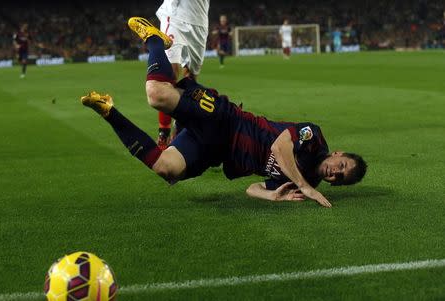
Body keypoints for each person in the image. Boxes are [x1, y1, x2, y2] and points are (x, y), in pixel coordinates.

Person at [81, 18, 367, 206]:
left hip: (216, 150)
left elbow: (251, 189)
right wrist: (304, 187)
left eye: (340, 179)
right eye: (341, 167)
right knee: (157, 95)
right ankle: (155, 40)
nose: (335, 173)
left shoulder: (305, 180)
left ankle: (108, 110)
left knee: (167, 170)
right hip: (226, 120)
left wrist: (272, 195)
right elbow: (281, 146)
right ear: (338, 154)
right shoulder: (313, 137)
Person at [154, 0, 210, 150]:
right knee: (170, 75)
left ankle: (179, 130)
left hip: (199, 20)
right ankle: (163, 134)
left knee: (191, 80)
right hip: (175, 15)